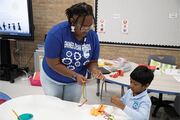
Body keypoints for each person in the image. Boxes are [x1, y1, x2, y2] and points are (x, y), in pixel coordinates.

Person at [40, 2, 104, 102]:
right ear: (72, 21)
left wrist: (94, 70)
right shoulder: (56, 34)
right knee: (55, 107)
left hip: (75, 81)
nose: (87, 30)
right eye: (83, 26)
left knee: (71, 108)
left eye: (89, 26)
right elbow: (53, 63)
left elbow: (92, 62)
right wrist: (75, 75)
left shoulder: (93, 37)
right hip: (53, 78)